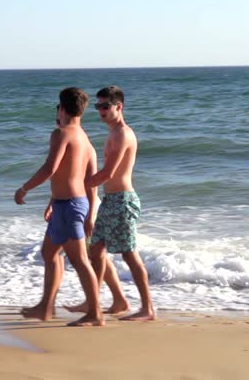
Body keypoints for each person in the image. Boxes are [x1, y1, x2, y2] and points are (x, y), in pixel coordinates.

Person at [14, 87, 104, 326]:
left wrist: (24, 189)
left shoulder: (61, 133)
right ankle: (46, 307)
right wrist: (56, 202)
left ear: (62, 109)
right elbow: (88, 180)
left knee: (80, 260)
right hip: (70, 204)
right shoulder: (84, 138)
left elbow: (50, 168)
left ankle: (95, 314)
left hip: (70, 207)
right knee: (49, 253)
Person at [86, 85, 156, 321]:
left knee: (129, 254)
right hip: (110, 200)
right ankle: (111, 301)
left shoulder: (123, 134)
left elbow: (108, 172)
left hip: (122, 200)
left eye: (105, 106)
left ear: (119, 107)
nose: (101, 111)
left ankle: (148, 308)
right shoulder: (113, 133)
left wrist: (79, 185)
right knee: (95, 251)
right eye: (98, 106)